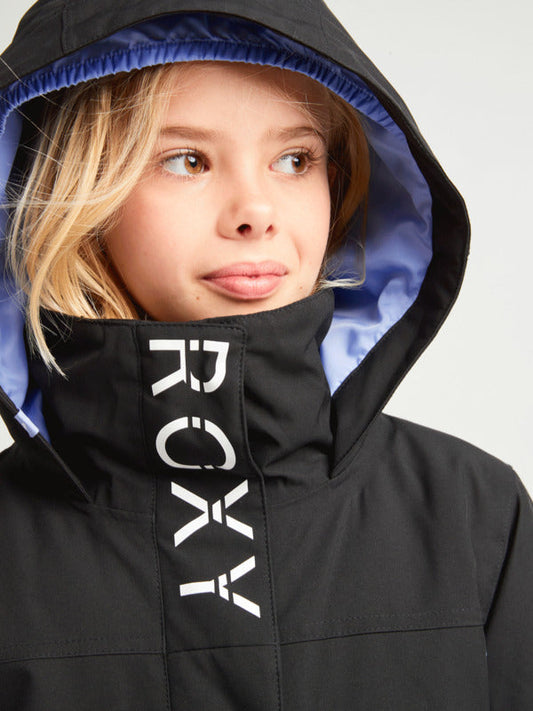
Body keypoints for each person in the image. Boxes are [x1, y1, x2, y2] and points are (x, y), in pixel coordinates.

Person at [0, 1, 530, 709]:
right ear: (76, 192)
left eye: (294, 159)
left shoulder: (473, 514)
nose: (257, 210)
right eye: (187, 160)